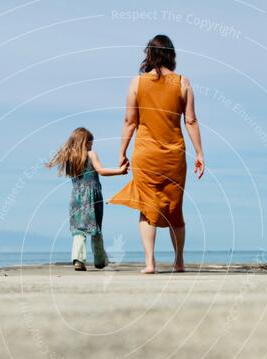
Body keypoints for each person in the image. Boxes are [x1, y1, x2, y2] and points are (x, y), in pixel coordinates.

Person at [108, 34, 205, 274]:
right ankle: (179, 261)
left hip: (146, 153)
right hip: (174, 155)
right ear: (171, 55)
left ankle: (150, 263)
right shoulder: (183, 83)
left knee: (147, 208)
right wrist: (200, 153)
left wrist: (121, 151)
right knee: (174, 208)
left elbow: (130, 122)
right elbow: (190, 120)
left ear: (149, 55)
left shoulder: (137, 83)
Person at [46, 127, 128, 270]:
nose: (92, 145)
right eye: (91, 142)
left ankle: (78, 259)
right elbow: (101, 171)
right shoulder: (91, 154)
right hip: (92, 196)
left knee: (79, 229)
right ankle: (100, 260)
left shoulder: (70, 157)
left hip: (76, 198)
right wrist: (120, 171)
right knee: (95, 228)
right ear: (85, 142)